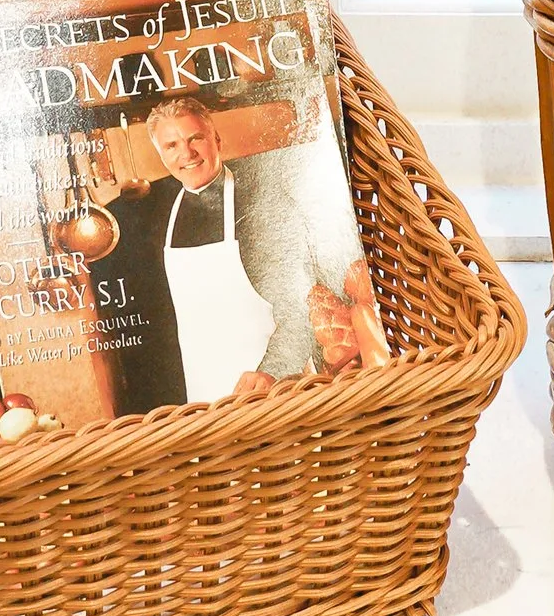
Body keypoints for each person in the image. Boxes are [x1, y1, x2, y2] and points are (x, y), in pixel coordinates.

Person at [101, 91, 387, 410]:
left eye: (196, 138)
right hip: (207, 398)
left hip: (276, 392)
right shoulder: (163, 218)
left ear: (216, 140)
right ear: (161, 154)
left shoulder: (261, 208)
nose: (187, 153)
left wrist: (271, 373)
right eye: (172, 145)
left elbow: (297, 310)